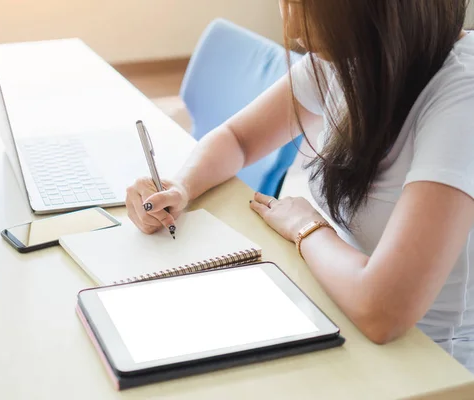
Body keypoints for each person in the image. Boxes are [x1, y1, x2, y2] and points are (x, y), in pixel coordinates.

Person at [126, 0, 474, 372]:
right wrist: (181, 186)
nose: (291, 29)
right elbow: (239, 138)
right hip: (341, 303)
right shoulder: (357, 55)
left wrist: (307, 228)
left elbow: (383, 311)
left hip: (431, 361)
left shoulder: (461, 96)